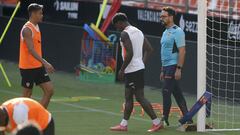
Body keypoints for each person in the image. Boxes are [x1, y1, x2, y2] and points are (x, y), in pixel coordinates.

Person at [110, 13, 163, 132]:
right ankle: (123, 125)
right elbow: (149, 49)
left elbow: (130, 53)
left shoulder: (125, 34)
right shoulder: (138, 31)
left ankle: (157, 122)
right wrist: (141, 63)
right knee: (128, 97)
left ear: (120, 22)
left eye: (116, 25)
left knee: (139, 97)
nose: (116, 28)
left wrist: (122, 69)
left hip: (132, 70)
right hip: (136, 68)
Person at [159, 7, 191, 125]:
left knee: (165, 91)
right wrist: (162, 69)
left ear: (171, 17)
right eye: (161, 16)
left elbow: (182, 51)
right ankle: (188, 118)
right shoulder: (165, 32)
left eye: (164, 16)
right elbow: (164, 51)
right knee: (177, 94)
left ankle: (164, 118)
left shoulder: (178, 31)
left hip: (173, 66)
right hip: (166, 67)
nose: (161, 18)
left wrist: (179, 69)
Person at [19, 3, 55, 109]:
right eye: (40, 13)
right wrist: (45, 63)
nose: (42, 15)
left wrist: (42, 63)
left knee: (49, 91)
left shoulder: (36, 26)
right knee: (27, 97)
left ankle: (39, 116)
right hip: (27, 68)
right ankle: (20, 119)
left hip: (38, 66)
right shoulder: (27, 29)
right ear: (33, 14)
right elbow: (31, 50)